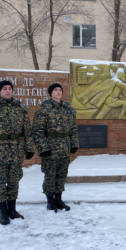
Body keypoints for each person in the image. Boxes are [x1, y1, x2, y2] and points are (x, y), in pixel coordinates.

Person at [0, 80, 35, 225]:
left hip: (16, 151)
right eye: (4, 88)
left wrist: (29, 148)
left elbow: (27, 131)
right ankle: (3, 212)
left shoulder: (20, 108)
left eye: (10, 88)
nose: (8, 91)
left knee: (14, 181)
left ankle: (12, 210)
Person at [32, 83, 79, 213]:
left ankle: (59, 199)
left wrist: (74, 144)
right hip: (50, 148)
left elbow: (73, 129)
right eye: (55, 90)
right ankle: (50, 200)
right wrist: (43, 148)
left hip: (64, 147)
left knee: (62, 174)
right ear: (50, 93)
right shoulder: (44, 110)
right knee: (50, 175)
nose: (58, 92)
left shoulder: (67, 109)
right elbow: (38, 131)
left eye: (60, 90)